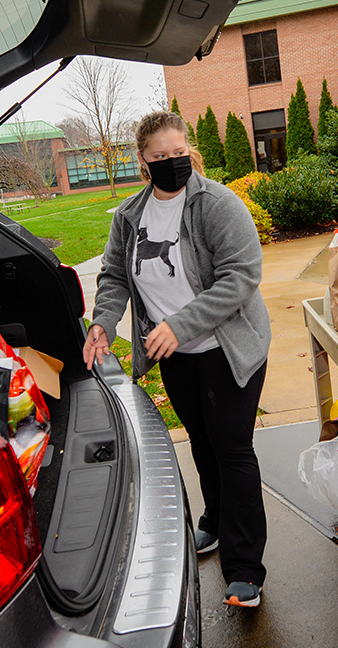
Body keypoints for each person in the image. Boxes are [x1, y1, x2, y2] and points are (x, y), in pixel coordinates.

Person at [83, 110, 271, 609]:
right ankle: (213, 519)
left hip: (227, 350)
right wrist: (102, 321)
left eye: (179, 153)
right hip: (175, 354)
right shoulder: (130, 216)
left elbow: (241, 277)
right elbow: (114, 276)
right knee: (203, 445)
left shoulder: (216, 204)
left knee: (232, 450)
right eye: (161, 157)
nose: (173, 162)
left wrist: (179, 325)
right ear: (143, 162)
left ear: (189, 150)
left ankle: (245, 567)